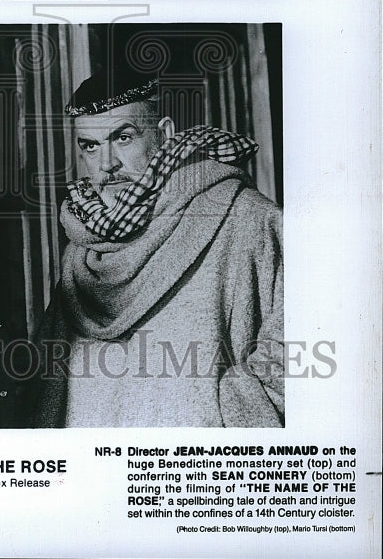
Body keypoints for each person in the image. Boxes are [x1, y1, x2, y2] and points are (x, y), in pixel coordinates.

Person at [30, 67, 283, 428]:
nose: (106, 164)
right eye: (90, 145)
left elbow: (313, 327)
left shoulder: (245, 217)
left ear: (164, 134)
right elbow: (46, 380)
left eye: (123, 137)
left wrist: (226, 411)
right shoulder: (83, 246)